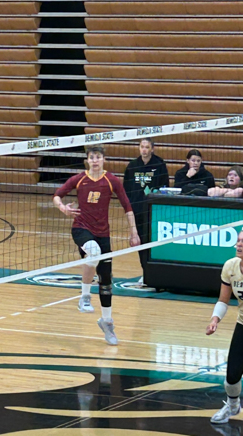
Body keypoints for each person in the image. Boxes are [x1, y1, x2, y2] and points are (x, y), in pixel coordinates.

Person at [53, 146, 140, 345]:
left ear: (104, 160)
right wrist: (63, 208)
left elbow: (127, 206)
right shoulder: (78, 179)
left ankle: (107, 322)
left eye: (98, 157)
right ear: (87, 160)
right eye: (91, 158)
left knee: (106, 281)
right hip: (81, 229)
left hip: (103, 234)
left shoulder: (111, 181)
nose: (95, 161)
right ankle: (84, 297)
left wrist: (133, 232)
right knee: (93, 251)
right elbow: (57, 195)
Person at [206, 227, 243, 423]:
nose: (239, 244)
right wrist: (215, 319)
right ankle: (232, 406)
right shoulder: (230, 267)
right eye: (239, 240)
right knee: (231, 377)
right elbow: (223, 300)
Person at [122, 138, 169, 285]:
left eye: (147, 147)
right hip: (137, 212)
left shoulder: (159, 165)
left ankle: (154, 273)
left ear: (152, 149)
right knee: (140, 243)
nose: (144, 150)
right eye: (142, 147)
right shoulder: (132, 166)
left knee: (152, 243)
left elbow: (165, 187)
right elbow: (126, 190)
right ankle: (145, 272)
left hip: (153, 211)